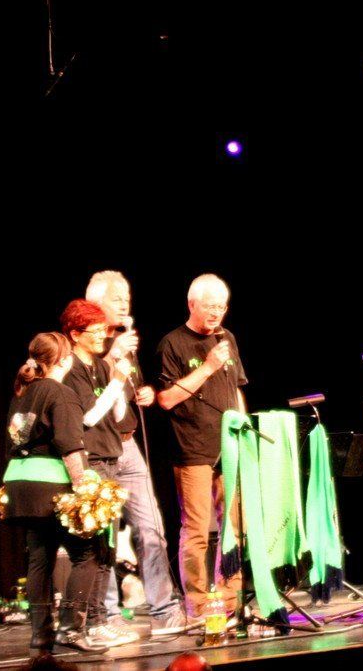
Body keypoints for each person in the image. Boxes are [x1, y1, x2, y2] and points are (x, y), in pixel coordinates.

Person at [85, 271, 190, 635]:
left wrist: (143, 391)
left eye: (127, 297)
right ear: (96, 302)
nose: (124, 304)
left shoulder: (124, 341)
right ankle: (109, 615)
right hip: (98, 450)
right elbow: (89, 395)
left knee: (152, 529)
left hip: (128, 444)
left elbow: (126, 387)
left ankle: (164, 610)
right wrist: (113, 354)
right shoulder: (85, 342)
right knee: (106, 537)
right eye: (117, 298)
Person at [0, 333, 107, 654]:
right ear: (63, 359)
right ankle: (71, 629)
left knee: (39, 556)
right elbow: (70, 445)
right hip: (51, 485)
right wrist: (85, 489)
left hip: (21, 484)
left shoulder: (23, 393)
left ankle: (41, 633)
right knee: (88, 554)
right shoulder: (61, 393)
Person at [157, 274, 247, 619]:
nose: (216, 313)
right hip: (192, 447)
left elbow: (235, 388)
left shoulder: (228, 338)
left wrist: (243, 426)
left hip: (229, 445)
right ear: (191, 304)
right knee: (196, 529)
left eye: (221, 307)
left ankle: (229, 599)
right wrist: (208, 367)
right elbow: (166, 398)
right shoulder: (172, 343)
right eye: (210, 306)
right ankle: (197, 604)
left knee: (234, 526)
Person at [59, 299, 139, 647]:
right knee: (92, 549)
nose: (102, 337)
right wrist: (116, 381)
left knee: (108, 548)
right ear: (74, 334)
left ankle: (99, 621)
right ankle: (85, 624)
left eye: (104, 330)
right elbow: (88, 418)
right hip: (91, 462)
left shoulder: (100, 366)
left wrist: (120, 379)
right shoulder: (72, 370)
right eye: (94, 331)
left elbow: (116, 414)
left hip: (111, 457)